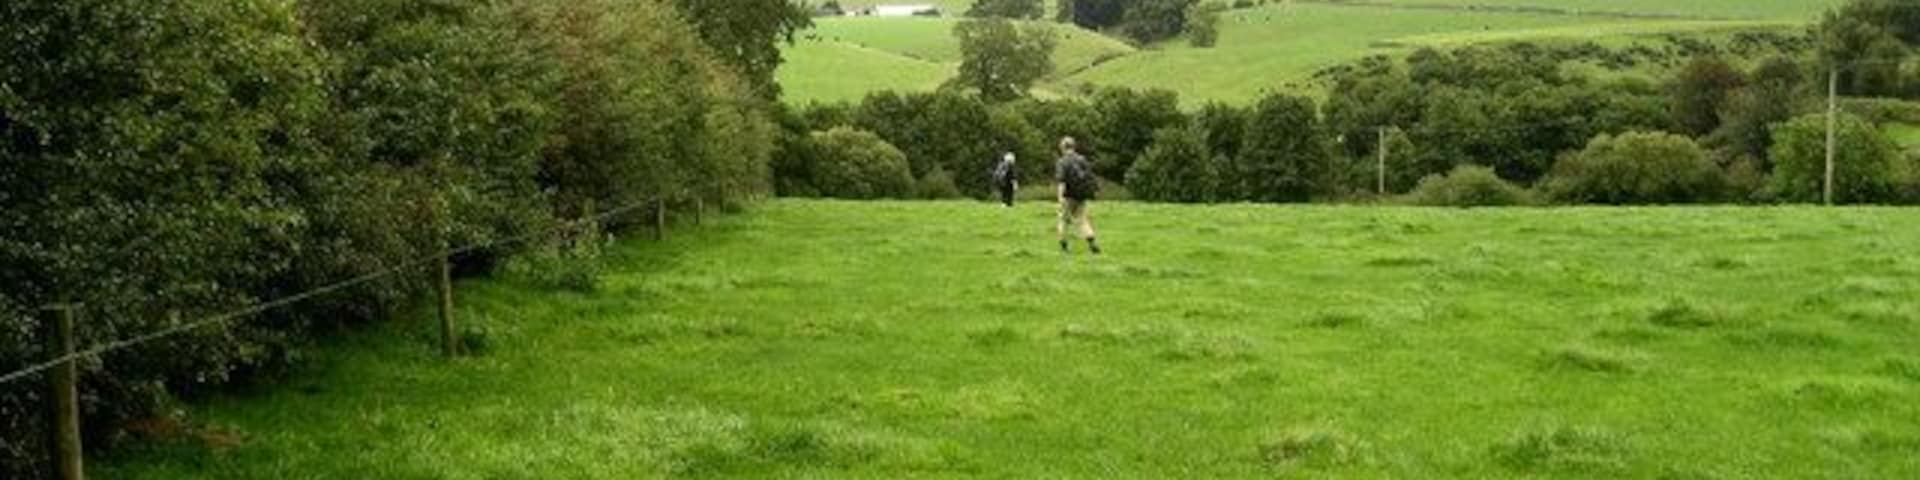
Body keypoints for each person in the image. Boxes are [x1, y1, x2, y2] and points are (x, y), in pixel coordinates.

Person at [1054, 137, 1101, 255]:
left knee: (1063, 220)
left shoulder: (1062, 161)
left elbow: (1061, 181)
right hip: (1081, 195)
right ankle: (1091, 240)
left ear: (1062, 147)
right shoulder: (1082, 160)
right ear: (1074, 146)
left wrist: (1060, 198)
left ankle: (1064, 246)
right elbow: (1090, 176)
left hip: (1068, 195)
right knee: (1082, 219)